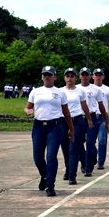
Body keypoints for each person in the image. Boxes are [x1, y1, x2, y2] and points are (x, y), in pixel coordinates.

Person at [24, 66, 74, 197]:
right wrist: (27, 110)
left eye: (50, 75)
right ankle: (44, 175)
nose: (47, 77)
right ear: (42, 77)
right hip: (39, 126)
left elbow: (66, 111)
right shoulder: (36, 91)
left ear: (55, 77)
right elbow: (28, 106)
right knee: (38, 158)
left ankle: (50, 185)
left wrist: (71, 128)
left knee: (51, 156)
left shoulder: (60, 92)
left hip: (55, 126)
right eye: (45, 74)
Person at [59, 68, 94, 185]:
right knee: (64, 147)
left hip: (77, 121)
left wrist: (89, 119)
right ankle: (68, 168)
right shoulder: (60, 91)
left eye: (72, 76)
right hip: (63, 121)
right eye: (67, 76)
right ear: (64, 78)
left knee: (74, 148)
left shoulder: (80, 91)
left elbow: (84, 107)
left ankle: (72, 175)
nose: (70, 78)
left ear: (75, 78)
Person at [79, 67, 108, 176]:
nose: (85, 77)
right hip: (79, 118)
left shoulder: (96, 89)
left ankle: (88, 168)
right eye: (83, 75)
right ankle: (84, 160)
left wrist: (105, 120)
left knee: (90, 142)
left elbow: (101, 105)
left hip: (92, 117)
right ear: (80, 76)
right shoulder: (76, 88)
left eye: (87, 75)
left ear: (90, 76)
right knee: (78, 143)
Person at [92, 68, 109, 170]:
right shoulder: (89, 89)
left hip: (103, 118)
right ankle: (91, 157)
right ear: (92, 76)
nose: (98, 77)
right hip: (92, 117)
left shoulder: (108, 90)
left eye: (100, 75)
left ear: (103, 77)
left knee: (102, 140)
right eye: (96, 75)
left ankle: (101, 161)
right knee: (90, 141)